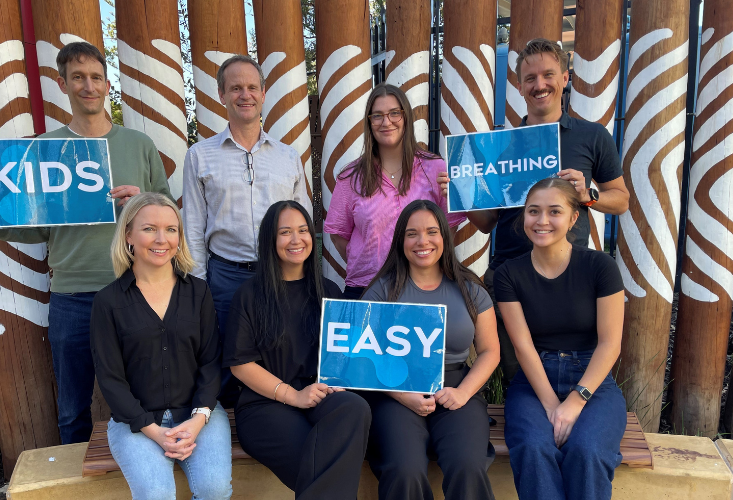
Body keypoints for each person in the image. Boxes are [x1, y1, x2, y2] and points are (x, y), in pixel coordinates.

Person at [0, 42, 171, 444]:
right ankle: (73, 480)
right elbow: (34, 229)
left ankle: (147, 474)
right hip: (72, 295)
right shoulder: (43, 150)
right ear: (62, 84)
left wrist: (141, 203)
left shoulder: (139, 145)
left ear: (108, 85)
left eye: (95, 78)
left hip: (135, 290)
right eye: (78, 78)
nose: (88, 86)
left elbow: (168, 212)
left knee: (148, 398)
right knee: (73, 407)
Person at [438, 38, 629, 386]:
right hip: (511, 277)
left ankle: (573, 418)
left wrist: (590, 195)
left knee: (575, 369)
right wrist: (464, 199)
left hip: (571, 275)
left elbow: (622, 199)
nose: (539, 85)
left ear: (566, 78)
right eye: (530, 78)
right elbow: (487, 225)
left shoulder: (592, 136)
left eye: (548, 75)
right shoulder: (501, 145)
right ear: (520, 86)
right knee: (519, 380)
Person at [183, 54, 312, 407]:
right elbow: (193, 225)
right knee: (226, 359)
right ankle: (225, 435)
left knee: (281, 356)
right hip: (226, 276)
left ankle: (276, 424)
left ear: (264, 93)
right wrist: (198, 286)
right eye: (236, 87)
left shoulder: (288, 156)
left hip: (281, 276)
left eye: (252, 87)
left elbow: (303, 220)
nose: (245, 94)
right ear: (221, 94)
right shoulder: (200, 155)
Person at [223, 200, 371, 499]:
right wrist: (294, 396)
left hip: (319, 397)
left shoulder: (328, 291)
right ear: (270, 240)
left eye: (303, 230)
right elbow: (240, 364)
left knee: (355, 407)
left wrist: (338, 382)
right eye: (285, 232)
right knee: (319, 461)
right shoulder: (250, 295)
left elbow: (345, 354)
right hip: (266, 404)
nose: (296, 239)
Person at [90, 192, 232, 500]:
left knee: (215, 489)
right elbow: (111, 381)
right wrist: (155, 432)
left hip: (198, 414)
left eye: (171, 229)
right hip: (136, 422)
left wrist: (197, 419)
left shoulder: (198, 292)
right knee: (156, 494)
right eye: (149, 228)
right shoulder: (108, 302)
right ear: (128, 234)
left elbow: (211, 363)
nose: (161, 238)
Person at [493, 178, 626, 500]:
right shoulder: (508, 274)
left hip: (593, 382)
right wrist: (553, 406)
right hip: (534, 382)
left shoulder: (600, 266)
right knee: (534, 448)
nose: (542, 221)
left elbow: (610, 343)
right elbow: (522, 346)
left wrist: (575, 401)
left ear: (573, 218)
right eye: (533, 211)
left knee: (588, 450)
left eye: (554, 211)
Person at [361, 200, 500, 500]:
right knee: (404, 468)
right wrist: (400, 393)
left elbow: (490, 351)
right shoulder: (383, 290)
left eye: (431, 232)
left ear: (444, 237)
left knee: (468, 464)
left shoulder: (470, 289)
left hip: (456, 390)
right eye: (412, 233)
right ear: (401, 240)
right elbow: (363, 353)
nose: (422, 241)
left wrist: (463, 392)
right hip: (395, 391)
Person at [325, 83, 467, 300]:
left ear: (406, 117)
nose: (386, 122)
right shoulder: (350, 177)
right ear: (369, 122)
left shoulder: (434, 168)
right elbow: (338, 236)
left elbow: (449, 227)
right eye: (377, 115)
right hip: (366, 287)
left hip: (422, 286)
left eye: (394, 113)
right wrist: (369, 259)